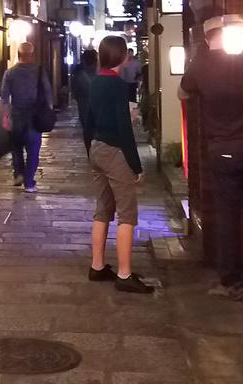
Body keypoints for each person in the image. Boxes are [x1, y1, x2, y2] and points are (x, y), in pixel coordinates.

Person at [179, 17, 243, 300]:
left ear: (207, 38)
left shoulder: (202, 64)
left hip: (221, 149)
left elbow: (182, 92)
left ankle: (231, 280)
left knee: (228, 217)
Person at [84, 35, 154, 294]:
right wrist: (136, 166)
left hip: (97, 147)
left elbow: (88, 121)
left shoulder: (94, 82)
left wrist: (90, 149)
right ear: (122, 56)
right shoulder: (118, 86)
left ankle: (97, 265)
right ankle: (124, 274)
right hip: (115, 150)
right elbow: (124, 129)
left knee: (102, 209)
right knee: (127, 214)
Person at [0, 41, 50, 193]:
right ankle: (29, 182)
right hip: (34, 117)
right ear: (32, 55)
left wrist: (5, 117)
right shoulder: (39, 71)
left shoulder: (10, 73)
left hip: (16, 115)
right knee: (33, 150)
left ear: (18, 54)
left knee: (16, 147)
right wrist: (48, 110)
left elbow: (4, 97)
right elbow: (47, 92)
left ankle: (18, 174)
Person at [70, 49, 99, 153]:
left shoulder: (79, 76)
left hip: (84, 108)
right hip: (99, 109)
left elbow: (75, 92)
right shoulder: (100, 75)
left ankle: (90, 152)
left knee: (87, 131)